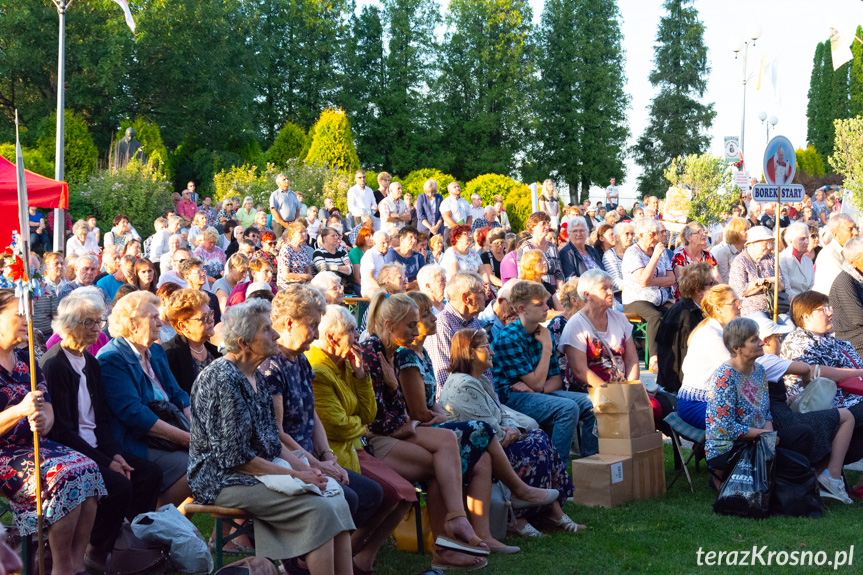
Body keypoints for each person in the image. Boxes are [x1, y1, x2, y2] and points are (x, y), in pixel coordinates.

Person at [188, 299, 354, 574]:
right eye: (267, 330)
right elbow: (236, 459)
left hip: (255, 471)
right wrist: (296, 476)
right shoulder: (221, 379)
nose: (276, 334)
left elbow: (272, 443)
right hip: (220, 480)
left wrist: (312, 469)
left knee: (334, 498)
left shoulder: (256, 376)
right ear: (243, 343)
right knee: (319, 509)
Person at [401, 291, 562, 545]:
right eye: (425, 315)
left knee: (524, 439)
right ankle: (521, 505)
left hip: (437, 430)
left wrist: (511, 428)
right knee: (496, 436)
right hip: (419, 435)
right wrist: (509, 431)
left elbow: (433, 405)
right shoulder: (407, 358)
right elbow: (421, 413)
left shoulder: (425, 357)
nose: (434, 317)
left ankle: (494, 531)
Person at [261, 287, 394, 573]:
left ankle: (312, 559)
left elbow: (313, 417)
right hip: (286, 461)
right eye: (311, 325)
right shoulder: (273, 366)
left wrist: (326, 456)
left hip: (313, 457)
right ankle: (302, 560)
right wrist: (316, 464)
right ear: (289, 324)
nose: (314, 333)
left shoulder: (301, 360)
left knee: (371, 494)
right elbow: (278, 432)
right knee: (348, 498)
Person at [359, 292, 490, 570]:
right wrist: (399, 405)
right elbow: (375, 418)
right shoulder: (371, 352)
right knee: (442, 459)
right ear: (390, 325)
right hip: (372, 442)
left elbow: (396, 411)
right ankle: (449, 537)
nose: (416, 329)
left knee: (445, 447)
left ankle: (452, 531)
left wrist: (398, 401)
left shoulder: (390, 351)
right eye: (410, 325)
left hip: (391, 433)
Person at [41, 292, 162, 571]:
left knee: (147, 474)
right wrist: (105, 461)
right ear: (70, 325)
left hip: (97, 447)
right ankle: (96, 552)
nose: (98, 329)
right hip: (70, 451)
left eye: (100, 321)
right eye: (90, 323)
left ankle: (127, 541)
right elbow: (63, 431)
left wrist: (116, 455)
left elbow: (102, 420)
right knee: (118, 484)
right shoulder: (55, 365)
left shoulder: (91, 362)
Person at [0, 289, 105, 575]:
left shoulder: (26, 360)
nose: (27, 320)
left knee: (89, 469)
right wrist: (19, 411)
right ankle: (60, 568)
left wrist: (43, 419)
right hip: (4, 453)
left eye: (28, 314)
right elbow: (18, 411)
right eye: (19, 314)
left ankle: (74, 561)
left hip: (36, 445)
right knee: (64, 476)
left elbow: (48, 409)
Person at [442, 327, 580, 536]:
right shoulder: (464, 385)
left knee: (538, 437)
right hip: (477, 453)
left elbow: (500, 413)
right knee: (536, 444)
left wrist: (513, 429)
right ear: (470, 353)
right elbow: (490, 433)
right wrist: (509, 432)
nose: (492, 352)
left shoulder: (479, 380)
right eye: (486, 347)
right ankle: (521, 515)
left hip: (494, 442)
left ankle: (549, 511)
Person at [98, 291, 194, 512]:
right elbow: (135, 415)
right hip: (135, 441)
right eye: (153, 317)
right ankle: (148, 520)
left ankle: (169, 522)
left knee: (210, 458)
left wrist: (197, 431)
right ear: (133, 325)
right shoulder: (112, 359)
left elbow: (178, 395)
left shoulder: (155, 351)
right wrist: (187, 439)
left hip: (169, 434)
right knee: (199, 466)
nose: (161, 322)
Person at [753, 315, 855, 504]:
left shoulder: (754, 362)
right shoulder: (769, 361)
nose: (781, 341)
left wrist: (792, 398)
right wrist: (858, 373)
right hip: (782, 421)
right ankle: (831, 478)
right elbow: (810, 370)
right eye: (778, 337)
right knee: (846, 416)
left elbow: (773, 397)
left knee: (832, 416)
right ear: (765, 341)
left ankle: (816, 480)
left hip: (776, 417)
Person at [493, 280, 598, 461]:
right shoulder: (508, 337)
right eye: (539, 304)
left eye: (546, 303)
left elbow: (555, 381)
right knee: (568, 408)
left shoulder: (544, 333)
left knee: (593, 403)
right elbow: (537, 381)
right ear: (522, 309)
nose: (546, 308)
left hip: (536, 392)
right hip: (510, 397)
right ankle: (557, 471)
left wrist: (537, 388)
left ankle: (591, 464)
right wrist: (547, 348)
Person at [705, 318, 814, 490]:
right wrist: (763, 436)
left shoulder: (759, 370)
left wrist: (768, 439)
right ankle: (769, 486)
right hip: (728, 447)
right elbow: (725, 427)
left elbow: (765, 411)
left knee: (804, 433)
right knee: (796, 464)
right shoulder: (724, 377)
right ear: (737, 348)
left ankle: (775, 482)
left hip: (758, 439)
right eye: (754, 340)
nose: (762, 342)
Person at [676, 285, 740, 429]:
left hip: (713, 400)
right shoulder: (710, 335)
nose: (740, 306)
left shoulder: (723, 330)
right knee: (744, 420)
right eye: (734, 302)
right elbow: (738, 369)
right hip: (695, 404)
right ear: (718, 309)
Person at [621, 217, 675, 374]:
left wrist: (652, 279)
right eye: (652, 233)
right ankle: (654, 358)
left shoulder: (661, 251)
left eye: (657, 233)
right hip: (636, 299)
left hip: (659, 297)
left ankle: (673, 354)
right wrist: (655, 257)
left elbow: (671, 279)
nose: (656, 237)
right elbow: (643, 281)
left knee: (679, 312)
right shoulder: (632, 253)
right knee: (655, 316)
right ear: (640, 235)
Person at [655, 263, 714, 394]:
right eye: (711, 283)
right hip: (680, 386)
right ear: (698, 291)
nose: (715, 286)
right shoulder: (686, 315)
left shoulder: (693, 309)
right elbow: (678, 357)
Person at [162, 289, 221, 395]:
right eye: (205, 317)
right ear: (184, 326)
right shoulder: (170, 354)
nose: (212, 320)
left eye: (211, 314)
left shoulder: (214, 352)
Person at [728, 226, 785, 317]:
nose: (769, 247)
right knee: (768, 326)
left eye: (770, 243)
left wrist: (767, 283)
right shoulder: (740, 261)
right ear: (753, 244)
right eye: (765, 244)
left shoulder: (771, 259)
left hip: (776, 306)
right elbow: (740, 291)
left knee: (790, 326)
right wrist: (763, 283)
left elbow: (781, 285)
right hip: (751, 309)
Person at [670, 222, 719, 298]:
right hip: (688, 300)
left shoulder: (708, 256)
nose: (704, 234)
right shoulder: (679, 257)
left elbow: (718, 279)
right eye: (700, 232)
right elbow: (685, 287)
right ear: (688, 238)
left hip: (709, 297)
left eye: (705, 232)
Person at [813, 213, 859, 295]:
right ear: (836, 234)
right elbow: (843, 285)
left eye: (856, 228)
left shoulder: (852, 251)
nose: (856, 232)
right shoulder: (828, 254)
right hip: (830, 303)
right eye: (850, 229)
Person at [177, 258, 222, 324]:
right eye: (198, 272)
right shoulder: (182, 299)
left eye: (203, 270)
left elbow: (217, 323)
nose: (203, 274)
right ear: (187, 277)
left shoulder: (212, 297)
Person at [559, 216, 603, 281]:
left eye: (581, 230)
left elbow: (603, 270)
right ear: (569, 234)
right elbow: (571, 279)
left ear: (587, 232)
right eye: (575, 231)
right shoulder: (566, 252)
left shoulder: (592, 250)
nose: (578, 234)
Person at [779, 222, 815, 298]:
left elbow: (812, 286)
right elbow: (786, 288)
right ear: (791, 241)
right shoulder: (782, 259)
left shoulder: (808, 261)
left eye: (807, 238)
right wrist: (802, 303)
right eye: (802, 239)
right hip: (790, 304)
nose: (807, 242)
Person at [602, 221, 635, 303]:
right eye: (627, 234)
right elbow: (615, 281)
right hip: (619, 295)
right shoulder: (609, 255)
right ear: (617, 237)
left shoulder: (634, 253)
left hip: (637, 292)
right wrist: (636, 289)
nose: (630, 237)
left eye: (632, 234)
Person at [710, 216, 748, 284]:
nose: (748, 232)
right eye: (745, 230)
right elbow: (724, 280)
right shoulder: (723, 253)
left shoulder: (747, 251)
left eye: (749, 229)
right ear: (736, 232)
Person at [277, 221, 315, 288]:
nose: (304, 233)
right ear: (292, 234)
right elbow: (286, 275)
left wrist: (303, 278)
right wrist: (304, 276)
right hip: (287, 285)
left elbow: (310, 275)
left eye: (305, 231)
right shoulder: (286, 249)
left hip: (303, 283)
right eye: (300, 232)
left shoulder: (305, 250)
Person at [359, 231, 391, 297]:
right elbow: (369, 277)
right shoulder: (369, 255)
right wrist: (382, 290)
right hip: (371, 288)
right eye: (383, 243)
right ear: (374, 243)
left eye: (388, 242)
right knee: (380, 295)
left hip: (387, 286)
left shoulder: (390, 252)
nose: (386, 245)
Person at [270, 173, 301, 238]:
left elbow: (298, 209)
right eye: (284, 179)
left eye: (287, 179)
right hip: (279, 224)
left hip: (292, 223)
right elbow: (273, 210)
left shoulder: (293, 194)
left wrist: (295, 222)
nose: (286, 180)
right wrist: (283, 223)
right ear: (279, 183)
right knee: (279, 243)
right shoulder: (275, 194)